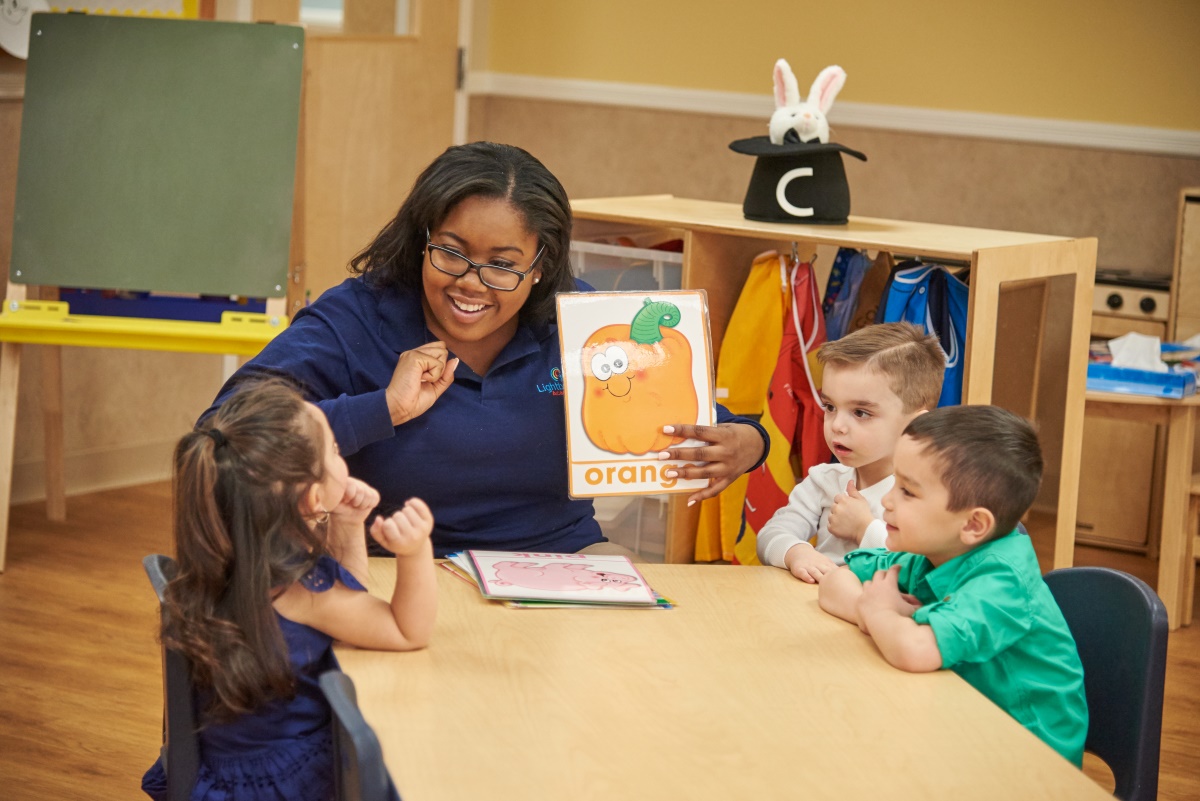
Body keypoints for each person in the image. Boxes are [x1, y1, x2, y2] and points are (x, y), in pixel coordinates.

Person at [203, 141, 768, 557]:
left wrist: (748, 440)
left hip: (558, 559)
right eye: (450, 252)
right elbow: (228, 430)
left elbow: (673, 417)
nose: (470, 282)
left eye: (502, 264)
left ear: (539, 267)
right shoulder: (358, 316)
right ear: (421, 240)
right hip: (386, 559)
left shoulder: (586, 323)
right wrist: (385, 409)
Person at [142, 379, 437, 801]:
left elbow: (347, 612)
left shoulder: (227, 559)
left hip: (223, 776)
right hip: (288, 783)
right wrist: (415, 552)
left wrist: (348, 525)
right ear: (315, 498)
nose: (342, 454)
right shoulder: (303, 592)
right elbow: (408, 631)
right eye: (334, 450)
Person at [817, 405, 1088, 766]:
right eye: (895, 483)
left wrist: (881, 610)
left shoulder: (1003, 581)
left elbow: (915, 651)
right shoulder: (932, 550)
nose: (886, 501)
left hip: (1026, 759)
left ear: (974, 525)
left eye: (908, 492)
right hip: (956, 723)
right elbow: (834, 583)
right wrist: (877, 612)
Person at [755, 322, 944, 582]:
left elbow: (923, 570)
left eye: (860, 413)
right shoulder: (825, 479)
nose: (837, 426)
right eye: (830, 407)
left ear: (915, 424)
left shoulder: (933, 494)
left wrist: (863, 529)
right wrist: (795, 552)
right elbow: (770, 534)